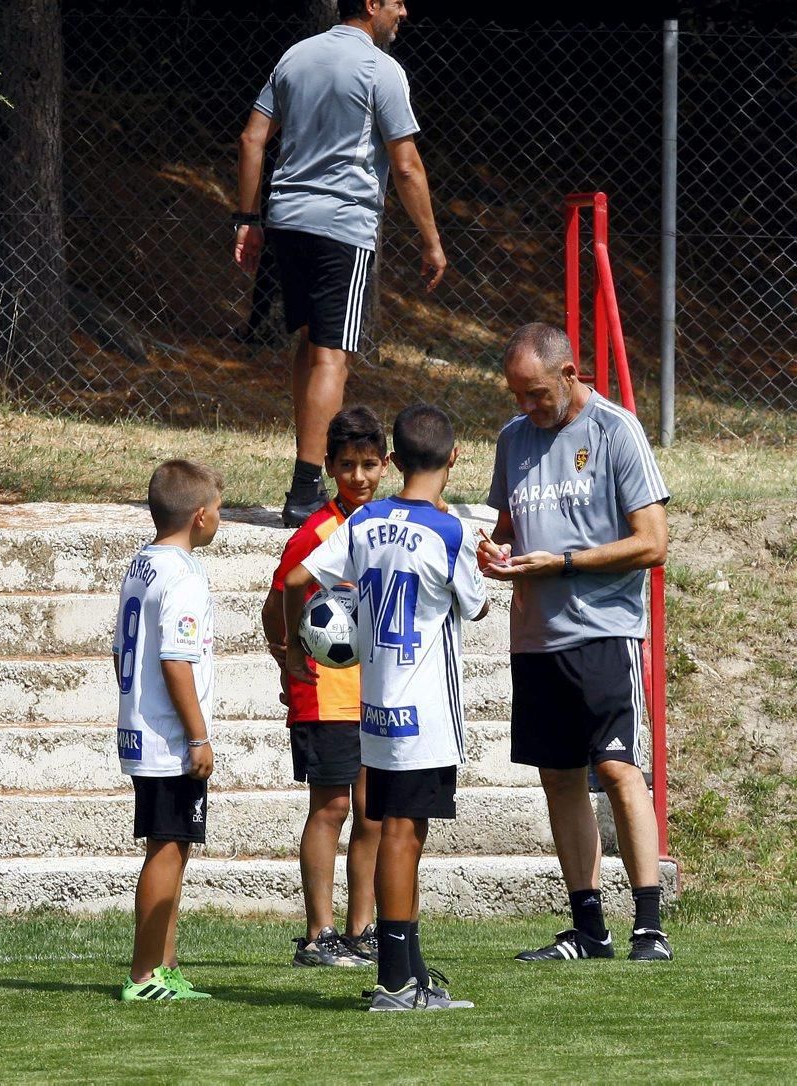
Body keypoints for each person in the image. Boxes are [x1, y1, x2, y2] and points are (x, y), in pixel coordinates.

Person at [284, 404, 489, 1011]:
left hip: (373, 709)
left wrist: (297, 648)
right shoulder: (448, 532)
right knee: (403, 835)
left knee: (399, 831)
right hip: (424, 712)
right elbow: (473, 607)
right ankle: (397, 982)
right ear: (455, 458)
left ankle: (410, 971)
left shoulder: (367, 518)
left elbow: (299, 580)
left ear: (393, 461)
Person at [479, 322, 673, 963]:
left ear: (569, 374)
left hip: (604, 630)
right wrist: (497, 553)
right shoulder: (513, 438)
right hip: (535, 637)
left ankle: (650, 926)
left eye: (534, 393)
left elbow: (652, 542)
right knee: (558, 779)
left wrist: (561, 563)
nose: (525, 407)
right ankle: (589, 929)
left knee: (618, 770)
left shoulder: (618, 431)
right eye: (515, 394)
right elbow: (509, 525)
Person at [235, 0, 447, 528]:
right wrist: (431, 240)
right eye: (397, 2)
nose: (405, 12)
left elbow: (252, 138)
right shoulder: (381, 69)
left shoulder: (296, 56)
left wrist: (246, 216)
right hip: (342, 227)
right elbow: (406, 165)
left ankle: (307, 474)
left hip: (286, 219)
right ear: (371, 4)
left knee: (310, 344)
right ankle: (308, 488)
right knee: (333, 356)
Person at [261, 406, 388, 967]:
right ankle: (318, 933)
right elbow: (277, 601)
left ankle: (363, 930)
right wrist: (288, 657)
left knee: (371, 813)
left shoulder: (389, 527)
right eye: (345, 466)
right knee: (331, 807)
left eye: (367, 464)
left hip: (378, 692)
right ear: (330, 468)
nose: (357, 477)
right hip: (326, 695)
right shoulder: (316, 534)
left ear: (385, 465)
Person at [113, 459, 223, 1001]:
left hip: (141, 727)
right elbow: (176, 663)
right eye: (220, 510)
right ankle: (144, 974)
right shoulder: (182, 577)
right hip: (170, 740)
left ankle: (166, 966)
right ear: (200, 516)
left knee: (175, 844)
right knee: (167, 846)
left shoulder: (141, 566)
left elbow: (120, 654)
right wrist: (197, 736)